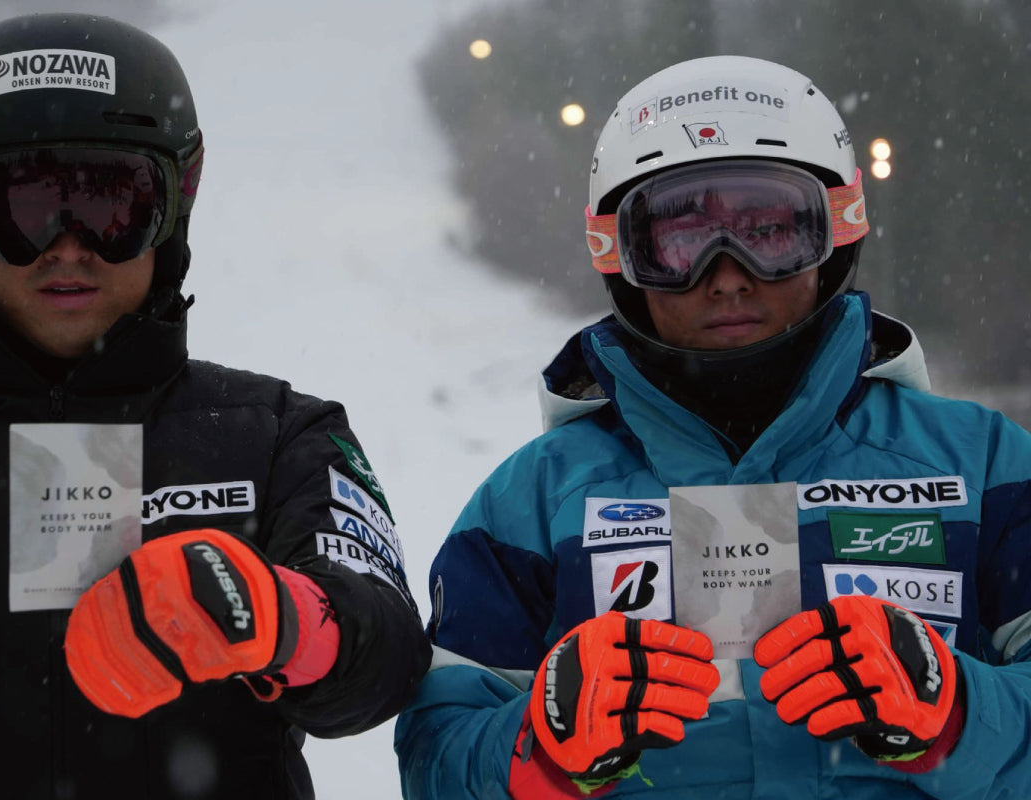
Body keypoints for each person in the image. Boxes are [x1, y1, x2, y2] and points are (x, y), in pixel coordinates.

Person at [395, 55, 1031, 799]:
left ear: (835, 233)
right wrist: (541, 749)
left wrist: (957, 714)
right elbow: (436, 764)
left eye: (768, 230)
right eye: (679, 238)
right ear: (620, 256)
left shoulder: (983, 467)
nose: (726, 273)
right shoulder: (534, 502)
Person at [0, 13, 429, 799]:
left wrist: (280, 618)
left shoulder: (278, 435)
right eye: (21, 206)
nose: (68, 245)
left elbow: (384, 659)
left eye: (113, 204)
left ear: (176, 202)